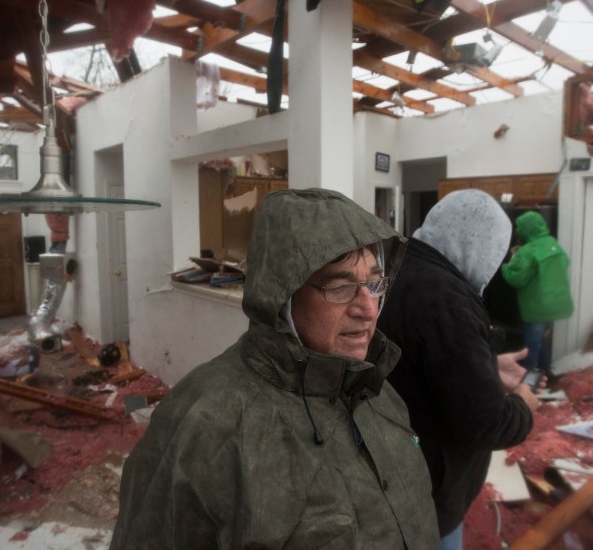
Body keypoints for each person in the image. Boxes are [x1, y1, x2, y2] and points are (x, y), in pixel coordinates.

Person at [110, 188, 440, 549]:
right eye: (340, 286)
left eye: (374, 283)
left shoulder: (376, 391)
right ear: (282, 295)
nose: (368, 309)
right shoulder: (201, 424)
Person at [378, 189, 539, 550]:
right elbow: (483, 423)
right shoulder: (448, 299)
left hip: (387, 473)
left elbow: (415, 361)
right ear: (483, 247)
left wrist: (484, 365)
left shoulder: (396, 267)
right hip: (426, 494)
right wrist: (524, 406)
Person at [501, 210, 574, 374]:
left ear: (527, 229)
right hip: (555, 302)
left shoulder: (526, 251)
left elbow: (516, 278)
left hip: (537, 305)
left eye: (520, 228)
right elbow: (563, 263)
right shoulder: (552, 243)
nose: (518, 231)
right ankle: (546, 371)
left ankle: (528, 379)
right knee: (540, 338)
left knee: (531, 344)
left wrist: (506, 266)